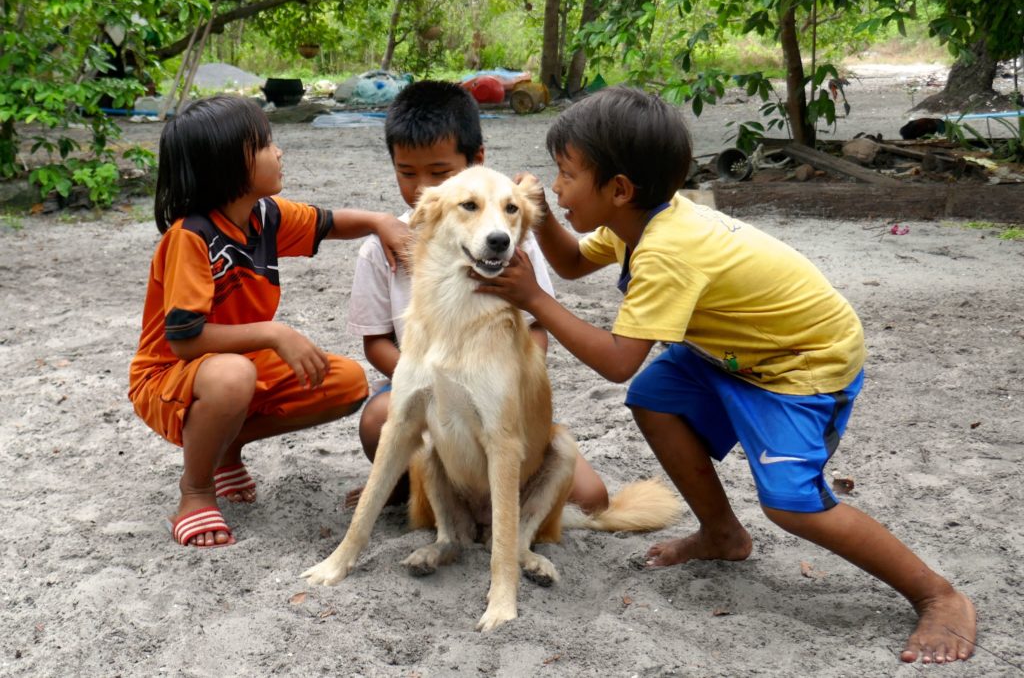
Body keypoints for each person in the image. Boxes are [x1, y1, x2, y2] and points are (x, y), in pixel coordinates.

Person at [473, 86, 976, 665]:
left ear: (617, 190)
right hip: (737, 352)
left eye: (565, 175)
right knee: (655, 396)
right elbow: (573, 261)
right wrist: (531, 220)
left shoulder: (667, 250)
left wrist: (536, 299)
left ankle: (938, 595)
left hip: (801, 364)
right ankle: (722, 534)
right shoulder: (640, 218)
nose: (556, 187)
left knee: (792, 504)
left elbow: (616, 360)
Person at [129, 95, 411, 548]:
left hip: (233, 368)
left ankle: (224, 451)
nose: (278, 152)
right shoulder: (190, 237)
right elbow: (184, 340)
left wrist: (381, 222)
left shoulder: (265, 216)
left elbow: (330, 223)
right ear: (227, 166)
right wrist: (275, 333)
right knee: (232, 376)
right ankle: (196, 491)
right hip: (169, 380)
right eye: (265, 144)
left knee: (345, 382)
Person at [344, 79, 609, 513]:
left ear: (477, 160)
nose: (420, 187)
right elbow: (375, 343)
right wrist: (434, 387)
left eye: (440, 172)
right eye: (406, 172)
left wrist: (504, 394)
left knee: (592, 499)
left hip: (494, 393)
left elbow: (536, 330)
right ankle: (406, 484)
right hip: (423, 388)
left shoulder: (506, 237)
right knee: (379, 420)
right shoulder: (381, 246)